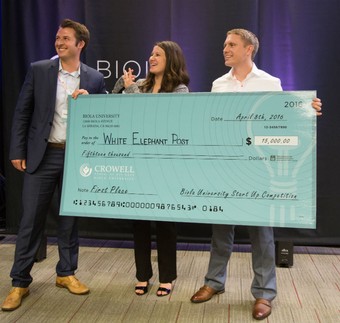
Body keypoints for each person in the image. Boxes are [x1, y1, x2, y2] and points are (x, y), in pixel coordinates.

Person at [189, 28, 322, 320]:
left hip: (258, 170)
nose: (225, 49)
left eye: (232, 44)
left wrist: (306, 111)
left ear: (249, 49)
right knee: (220, 231)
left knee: (262, 234)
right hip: (225, 168)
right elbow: (212, 124)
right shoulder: (218, 84)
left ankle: (264, 294)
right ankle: (214, 283)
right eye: (224, 44)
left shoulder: (269, 82)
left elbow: (283, 119)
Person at [1, 19, 107, 312]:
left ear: (80, 44)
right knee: (30, 220)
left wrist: (92, 101)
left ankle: (66, 273)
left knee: (69, 219)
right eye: (57, 38)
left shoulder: (95, 79)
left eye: (65, 39)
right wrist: (17, 150)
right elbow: (23, 112)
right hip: (42, 154)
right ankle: (19, 281)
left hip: (76, 157)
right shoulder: (39, 70)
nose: (59, 42)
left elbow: (104, 117)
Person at [112, 40, 190, 297]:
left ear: (171, 59)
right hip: (137, 165)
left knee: (166, 225)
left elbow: (155, 118)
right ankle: (142, 275)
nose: (151, 57)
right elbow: (117, 111)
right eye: (151, 53)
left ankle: (167, 277)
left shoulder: (179, 90)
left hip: (165, 168)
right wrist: (121, 87)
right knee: (139, 225)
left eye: (158, 54)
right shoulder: (142, 85)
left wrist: (131, 89)